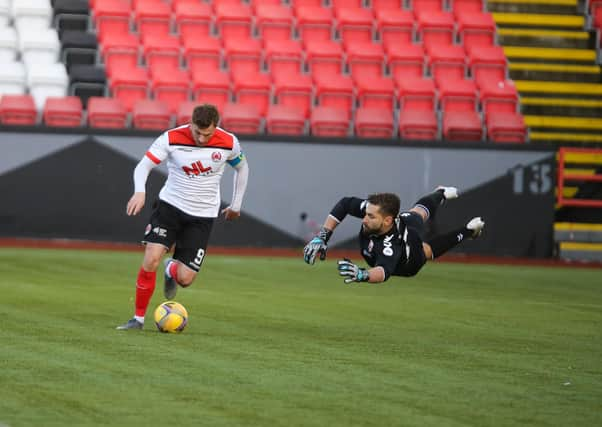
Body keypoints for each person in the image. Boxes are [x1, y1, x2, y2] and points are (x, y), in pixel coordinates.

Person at [117, 104, 249, 330]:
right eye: (197, 131)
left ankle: (171, 270)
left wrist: (236, 204)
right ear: (191, 123)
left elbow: (243, 168)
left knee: (186, 279)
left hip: (202, 215)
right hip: (170, 207)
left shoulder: (229, 142)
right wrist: (140, 190)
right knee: (151, 259)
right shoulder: (171, 138)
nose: (201, 137)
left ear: (215, 128)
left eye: (206, 134)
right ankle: (137, 319)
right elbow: (143, 166)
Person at [303, 186, 484, 284]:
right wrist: (323, 236)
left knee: (425, 250)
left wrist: (362, 275)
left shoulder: (389, 245)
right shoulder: (374, 212)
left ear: (388, 221)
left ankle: (468, 230)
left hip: (407, 261)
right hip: (405, 222)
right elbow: (345, 204)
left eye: (371, 216)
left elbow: (383, 271)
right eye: (366, 213)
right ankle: (441, 193)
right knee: (417, 212)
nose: (364, 219)